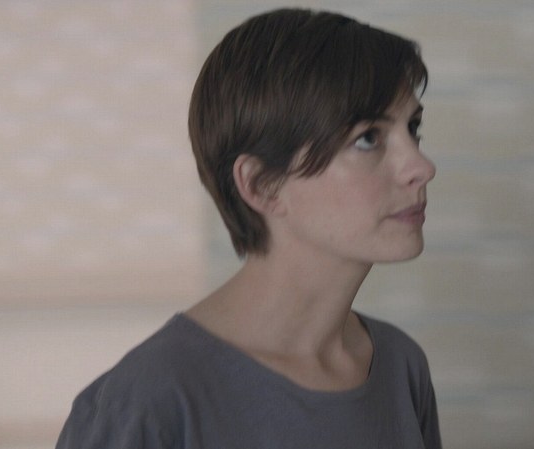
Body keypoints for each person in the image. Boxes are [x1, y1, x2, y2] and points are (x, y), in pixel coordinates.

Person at [56, 7, 440, 449]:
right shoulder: (146, 405)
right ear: (261, 185)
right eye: (368, 138)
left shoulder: (400, 368)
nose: (421, 167)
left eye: (413, 128)